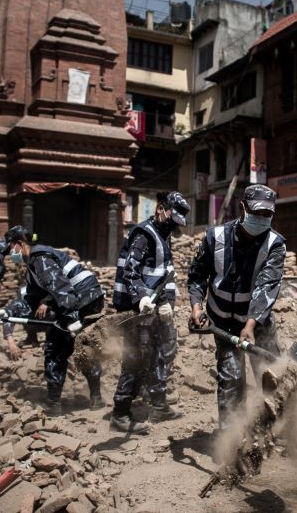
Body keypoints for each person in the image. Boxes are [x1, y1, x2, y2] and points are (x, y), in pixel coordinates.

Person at [187, 184, 285, 430]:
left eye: (267, 215)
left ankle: (273, 430)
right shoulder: (215, 237)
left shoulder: (275, 244)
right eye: (257, 212)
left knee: (271, 376)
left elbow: (267, 286)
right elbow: (197, 276)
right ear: (242, 208)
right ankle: (232, 440)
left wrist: (251, 324)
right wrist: (196, 308)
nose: (262, 219)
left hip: (258, 324)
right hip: (222, 321)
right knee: (231, 379)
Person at [0, 226, 105, 415]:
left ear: (20, 244)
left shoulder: (40, 259)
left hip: (84, 301)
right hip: (83, 300)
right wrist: (8, 311)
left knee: (57, 348)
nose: (10, 255)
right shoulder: (33, 265)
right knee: (83, 346)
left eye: (11, 249)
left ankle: (55, 404)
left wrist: (71, 320)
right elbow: (31, 297)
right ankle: (95, 398)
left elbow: (61, 289)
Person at [109, 191, 190, 433]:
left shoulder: (163, 235)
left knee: (159, 353)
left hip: (152, 307)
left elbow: (161, 275)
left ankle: (159, 405)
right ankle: (120, 415)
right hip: (137, 310)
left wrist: (164, 301)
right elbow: (131, 273)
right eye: (172, 220)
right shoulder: (144, 234)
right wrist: (142, 297)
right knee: (134, 357)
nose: (174, 227)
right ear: (161, 209)